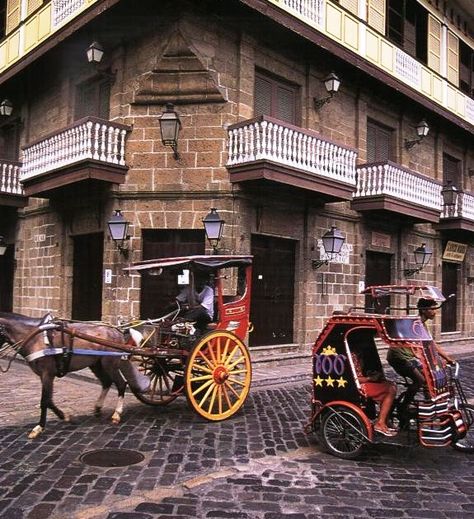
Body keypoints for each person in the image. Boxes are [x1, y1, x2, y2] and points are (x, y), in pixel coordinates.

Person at [387, 297, 455, 417]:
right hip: (399, 357)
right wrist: (418, 355)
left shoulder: (423, 325)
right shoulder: (414, 323)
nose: (435, 311)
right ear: (424, 310)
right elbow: (412, 344)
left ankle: (430, 402)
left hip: (410, 357)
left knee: (431, 375)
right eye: (432, 309)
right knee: (420, 380)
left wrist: (447, 358)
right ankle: (403, 407)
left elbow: (430, 343)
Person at [353, 349, 398, 437]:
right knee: (390, 389)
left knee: (391, 385)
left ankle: (384, 420)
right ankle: (380, 423)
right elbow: (352, 378)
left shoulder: (359, 354)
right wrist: (369, 379)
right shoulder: (350, 355)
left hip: (362, 381)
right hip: (357, 386)